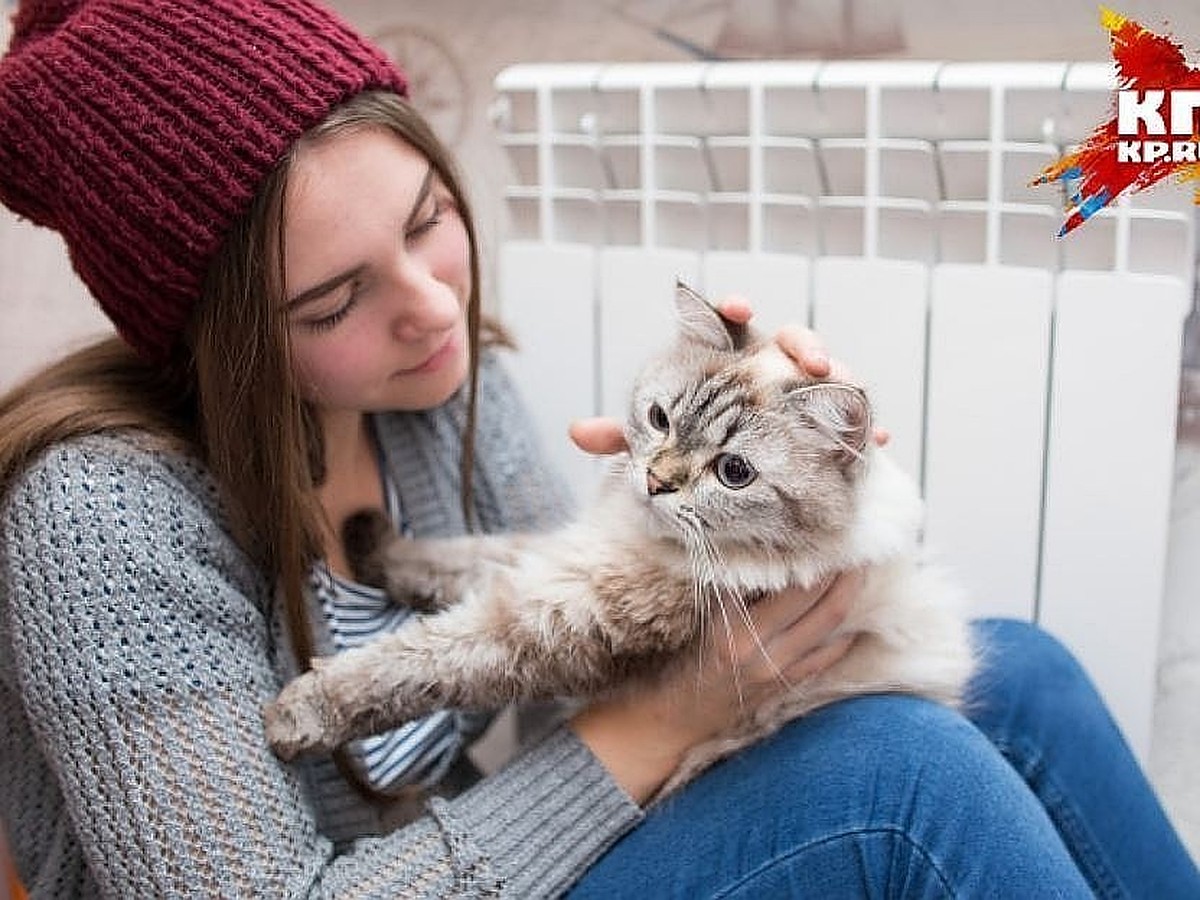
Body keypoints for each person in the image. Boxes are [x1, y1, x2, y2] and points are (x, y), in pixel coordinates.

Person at [0, 1, 1195, 897]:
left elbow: (585, 632)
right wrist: (667, 722)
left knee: (1019, 670)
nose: (431, 306)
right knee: (905, 770)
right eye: (333, 302)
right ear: (221, 343)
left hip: (499, 834)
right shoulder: (99, 517)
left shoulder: (433, 381)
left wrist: (813, 505)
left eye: (430, 222)